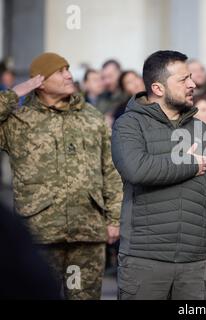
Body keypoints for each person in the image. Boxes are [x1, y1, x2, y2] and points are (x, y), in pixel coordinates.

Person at [111, 50, 206, 300]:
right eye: (183, 80)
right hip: (144, 259)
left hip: (193, 262)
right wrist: (189, 164)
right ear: (157, 87)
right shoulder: (129, 124)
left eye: (191, 77)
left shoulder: (202, 130)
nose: (193, 84)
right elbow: (137, 169)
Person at [0, 52, 123, 299]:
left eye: (68, 69)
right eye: (60, 71)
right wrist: (16, 92)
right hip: (40, 231)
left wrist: (114, 219)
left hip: (87, 231)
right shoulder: (18, 121)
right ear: (40, 81)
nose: (69, 75)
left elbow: (110, 168)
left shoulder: (91, 117)